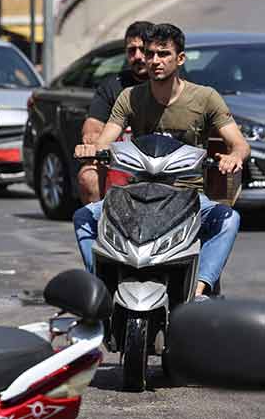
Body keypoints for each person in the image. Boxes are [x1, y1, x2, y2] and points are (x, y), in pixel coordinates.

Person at [73, 23, 250, 300]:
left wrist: (233, 157)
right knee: (84, 216)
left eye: (164, 54)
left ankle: (199, 289)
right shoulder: (129, 97)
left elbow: (239, 144)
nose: (155, 61)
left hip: (188, 196)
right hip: (137, 195)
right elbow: (105, 141)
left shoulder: (205, 98)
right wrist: (91, 149)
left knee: (229, 218)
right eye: (150, 53)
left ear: (180, 59)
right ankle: (101, 285)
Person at [77, 21, 153, 204]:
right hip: (120, 164)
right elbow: (93, 125)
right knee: (89, 177)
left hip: (163, 164)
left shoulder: (174, 84)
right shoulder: (113, 87)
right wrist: (92, 139)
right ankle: (101, 229)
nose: (138, 56)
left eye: (143, 49)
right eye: (131, 50)